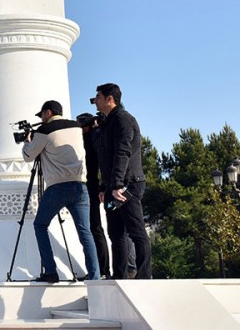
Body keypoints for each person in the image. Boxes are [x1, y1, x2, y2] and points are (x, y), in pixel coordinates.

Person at [22, 100, 100, 283]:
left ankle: (50, 272)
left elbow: (28, 156)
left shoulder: (44, 131)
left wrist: (27, 142)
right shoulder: (75, 127)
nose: (41, 119)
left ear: (48, 113)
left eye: (41, 115)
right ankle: (95, 277)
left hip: (58, 186)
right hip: (81, 185)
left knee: (40, 225)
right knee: (85, 231)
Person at [93, 83, 152, 279]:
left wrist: (117, 185)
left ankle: (144, 278)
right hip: (113, 188)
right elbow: (105, 158)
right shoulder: (107, 123)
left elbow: (123, 153)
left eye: (98, 97)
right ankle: (119, 277)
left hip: (128, 186)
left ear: (110, 99)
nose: (96, 101)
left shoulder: (123, 120)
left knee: (136, 233)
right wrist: (105, 186)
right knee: (116, 234)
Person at [77, 114, 110, 278]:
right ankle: (99, 270)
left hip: (92, 186)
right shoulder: (85, 139)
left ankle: (103, 271)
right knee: (93, 229)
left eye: (82, 125)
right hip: (89, 185)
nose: (79, 128)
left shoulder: (94, 140)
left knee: (95, 229)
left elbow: (101, 163)